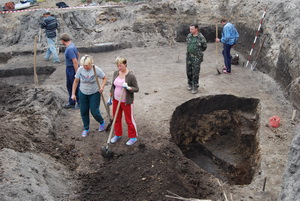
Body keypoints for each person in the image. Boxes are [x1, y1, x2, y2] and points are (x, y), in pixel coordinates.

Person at [71, 55, 107, 137]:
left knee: (94, 111)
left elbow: (105, 78)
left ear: (91, 63)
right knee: (83, 111)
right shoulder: (80, 69)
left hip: (94, 93)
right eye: (83, 65)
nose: (85, 67)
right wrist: (73, 94)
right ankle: (86, 128)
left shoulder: (96, 69)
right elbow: (76, 81)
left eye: (86, 65)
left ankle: (101, 122)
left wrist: (102, 87)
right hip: (83, 92)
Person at [109, 57, 139, 146]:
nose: (119, 68)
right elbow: (113, 86)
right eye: (117, 66)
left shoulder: (131, 76)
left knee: (129, 119)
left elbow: (136, 89)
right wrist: (110, 96)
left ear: (125, 64)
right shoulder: (116, 73)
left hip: (126, 101)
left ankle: (133, 137)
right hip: (116, 100)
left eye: (120, 66)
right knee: (116, 118)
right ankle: (117, 134)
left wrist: (129, 88)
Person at [60, 33, 80, 109]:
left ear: (63, 41)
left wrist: (77, 72)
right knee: (69, 85)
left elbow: (74, 61)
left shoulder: (69, 49)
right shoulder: (72, 45)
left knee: (75, 85)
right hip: (70, 68)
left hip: (71, 69)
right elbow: (78, 53)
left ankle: (79, 103)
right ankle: (72, 102)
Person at [186, 24, 207, 94]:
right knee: (188, 71)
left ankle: (195, 86)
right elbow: (188, 44)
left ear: (196, 29)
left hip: (197, 57)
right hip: (189, 56)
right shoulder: (189, 36)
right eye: (190, 29)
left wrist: (198, 52)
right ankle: (190, 83)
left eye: (192, 29)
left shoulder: (201, 37)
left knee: (195, 72)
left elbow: (204, 46)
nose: (190, 30)